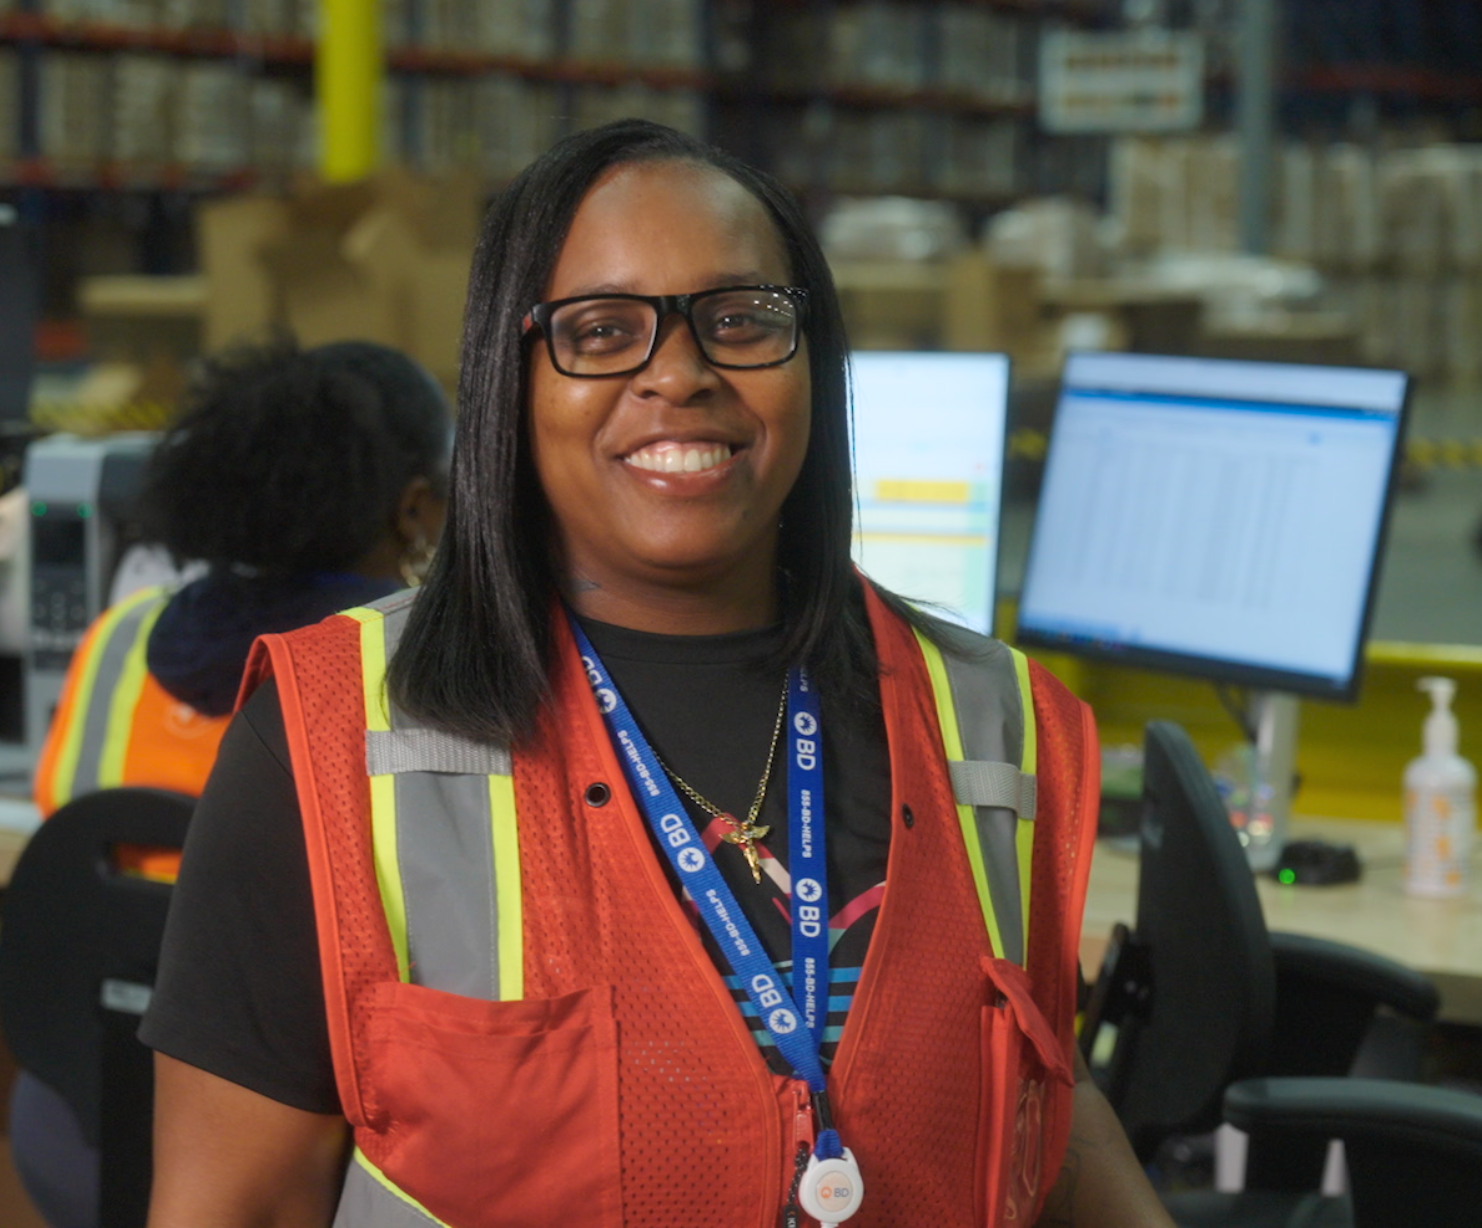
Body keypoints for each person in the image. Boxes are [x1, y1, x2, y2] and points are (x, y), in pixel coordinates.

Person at [143, 120, 1176, 1227]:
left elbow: (1045, 1121)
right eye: (600, 330)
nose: (679, 374)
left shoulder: (1000, 723)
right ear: (511, 377)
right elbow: (230, 1206)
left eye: (739, 319)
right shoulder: (327, 739)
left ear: (813, 362)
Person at [15, 337, 449, 1228]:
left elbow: (60, 822)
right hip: (301, 1161)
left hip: (78, 1114)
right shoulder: (406, 685)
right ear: (416, 508)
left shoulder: (119, 639)